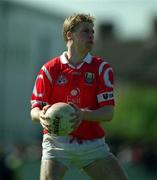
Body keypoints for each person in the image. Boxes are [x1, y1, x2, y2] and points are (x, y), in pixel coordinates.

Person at [30, 13, 128, 180]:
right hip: (57, 143)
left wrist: (82, 114)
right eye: (85, 31)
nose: (91, 36)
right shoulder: (49, 69)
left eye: (92, 32)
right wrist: (42, 114)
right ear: (70, 35)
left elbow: (108, 113)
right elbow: (34, 111)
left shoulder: (101, 68)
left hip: (92, 145)